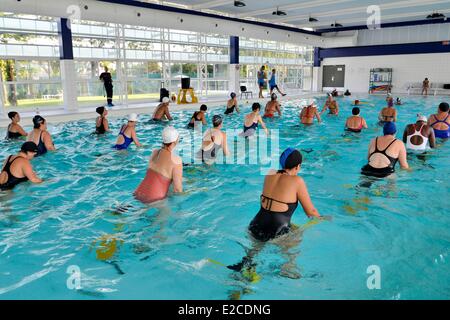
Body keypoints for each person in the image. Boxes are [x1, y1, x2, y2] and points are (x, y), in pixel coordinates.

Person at [226, 148, 322, 277]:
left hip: (255, 225)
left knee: (254, 251)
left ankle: (246, 263)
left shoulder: (270, 173)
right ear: (298, 166)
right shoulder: (297, 181)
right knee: (297, 235)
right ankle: (288, 266)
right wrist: (324, 219)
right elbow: (311, 212)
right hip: (277, 231)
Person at [134, 126, 183, 203]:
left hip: (138, 192)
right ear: (175, 141)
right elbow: (177, 189)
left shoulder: (155, 152)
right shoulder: (177, 160)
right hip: (155, 199)